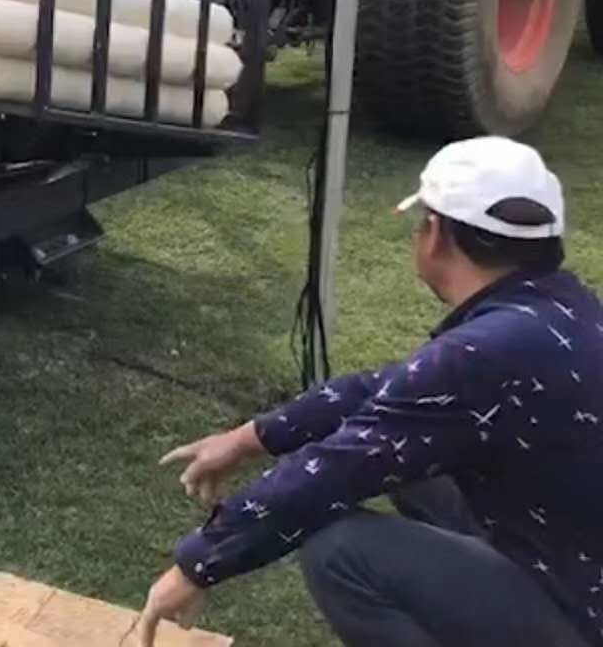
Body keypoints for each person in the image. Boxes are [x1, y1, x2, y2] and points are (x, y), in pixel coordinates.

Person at [137, 137, 603, 647]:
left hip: (578, 609)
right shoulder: (560, 309)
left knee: (340, 553)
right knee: (412, 468)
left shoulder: (482, 353)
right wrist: (249, 438)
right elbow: (383, 393)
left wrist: (196, 566)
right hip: (571, 557)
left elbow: (333, 471)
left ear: (435, 233)